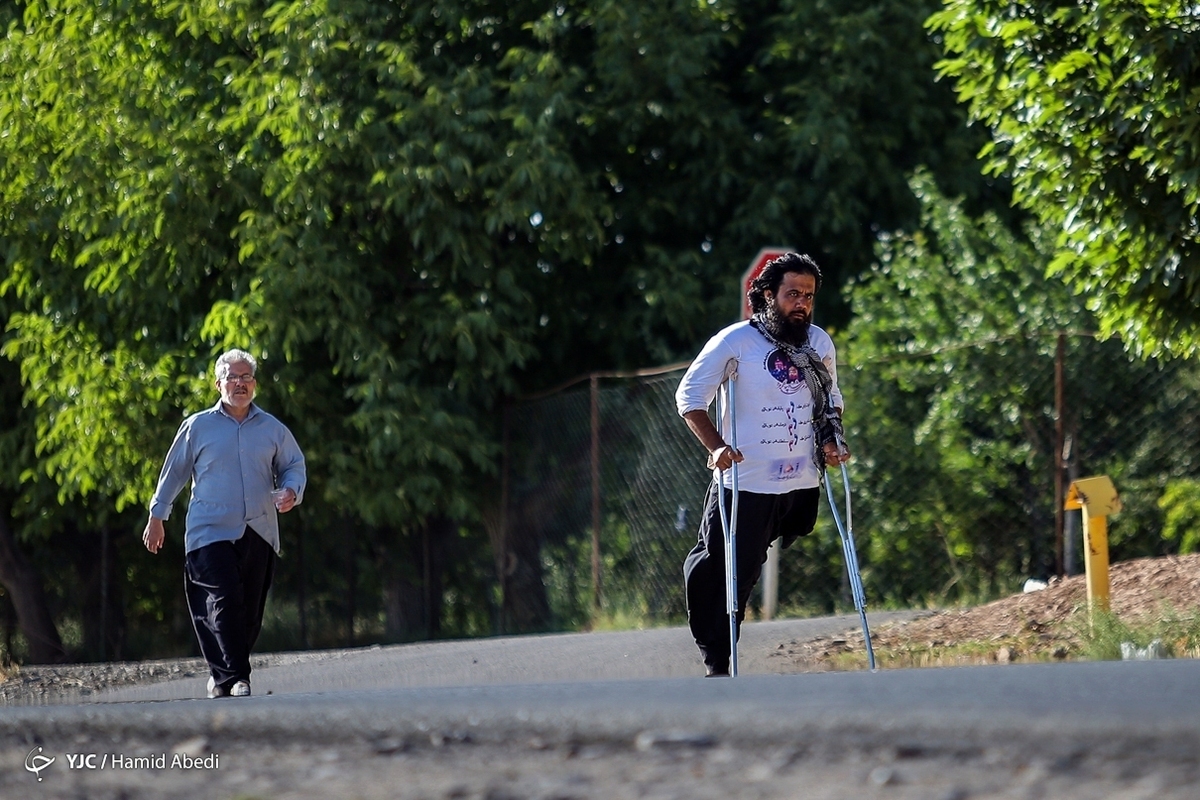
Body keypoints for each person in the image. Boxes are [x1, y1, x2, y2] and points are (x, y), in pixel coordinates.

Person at [675, 252, 850, 677]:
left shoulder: (819, 343)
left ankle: (723, 647)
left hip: (799, 482)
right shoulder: (736, 342)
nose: (801, 304)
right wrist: (716, 447)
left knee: (746, 566)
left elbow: (832, 401)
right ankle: (719, 661)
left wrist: (832, 441)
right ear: (769, 295)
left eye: (808, 296)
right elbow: (689, 398)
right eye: (793, 294)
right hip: (746, 482)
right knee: (722, 568)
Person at [143, 349, 307, 698]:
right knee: (223, 600)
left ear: (255, 383)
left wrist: (291, 490)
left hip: (259, 529)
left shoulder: (272, 429)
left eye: (246, 377)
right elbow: (174, 473)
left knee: (249, 610)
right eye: (232, 377)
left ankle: (222, 675)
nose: (239, 383)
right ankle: (236, 678)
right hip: (209, 531)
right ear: (218, 384)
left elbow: (294, 464)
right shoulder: (197, 427)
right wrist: (158, 515)